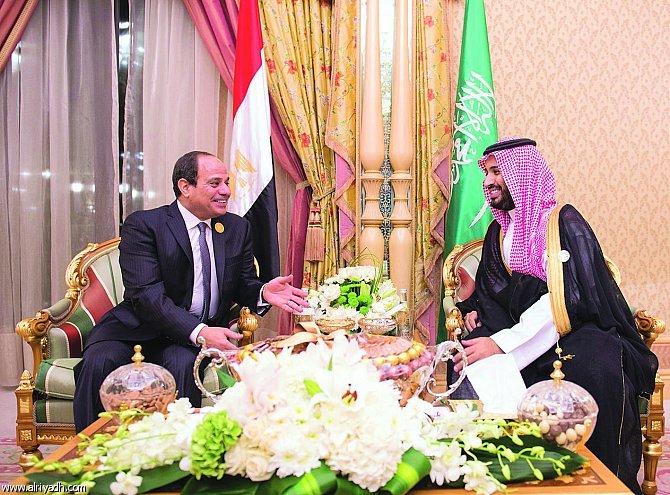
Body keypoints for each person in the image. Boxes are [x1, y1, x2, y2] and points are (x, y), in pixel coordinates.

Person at [451, 137, 658, 493]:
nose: (488, 181)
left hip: (576, 326)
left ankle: (597, 482)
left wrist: (501, 344)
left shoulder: (562, 223)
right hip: (518, 331)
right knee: (468, 360)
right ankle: (507, 471)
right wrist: (472, 310)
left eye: (497, 172)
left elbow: (565, 298)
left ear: (522, 175)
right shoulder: (498, 230)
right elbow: (493, 289)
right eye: (487, 173)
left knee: (593, 368)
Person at [73, 151, 308, 431]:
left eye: (226, 183)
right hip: (134, 329)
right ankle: (90, 452)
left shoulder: (237, 228)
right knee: (100, 361)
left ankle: (179, 450)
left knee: (183, 363)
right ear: (185, 187)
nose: (226, 191)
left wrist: (262, 291)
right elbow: (146, 295)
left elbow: (243, 283)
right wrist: (200, 331)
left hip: (185, 341)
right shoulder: (145, 225)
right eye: (215, 183)